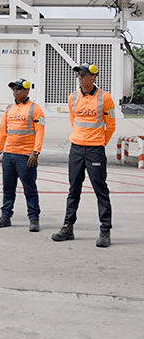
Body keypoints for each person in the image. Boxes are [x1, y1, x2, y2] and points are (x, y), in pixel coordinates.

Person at [52, 63, 116, 248]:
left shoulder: (105, 98)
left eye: (83, 74)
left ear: (93, 77)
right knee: (73, 189)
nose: (79, 78)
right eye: (78, 75)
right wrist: (81, 138)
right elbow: (74, 121)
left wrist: (99, 142)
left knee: (100, 189)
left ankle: (105, 230)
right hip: (76, 149)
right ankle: (68, 227)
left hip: (95, 149)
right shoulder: (72, 97)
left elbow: (111, 125)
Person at [0, 78, 46, 232]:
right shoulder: (9, 109)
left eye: (18, 88)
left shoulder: (35, 109)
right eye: (13, 89)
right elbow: (2, 130)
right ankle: (6, 216)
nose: (15, 91)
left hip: (26, 156)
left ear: (27, 90)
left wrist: (36, 152)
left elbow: (40, 131)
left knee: (30, 189)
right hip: (9, 154)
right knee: (8, 188)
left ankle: (34, 219)